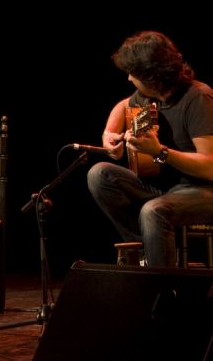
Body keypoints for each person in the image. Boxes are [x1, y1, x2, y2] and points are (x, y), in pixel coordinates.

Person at [87, 30, 213, 267]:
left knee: (153, 210)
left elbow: (210, 167)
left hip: (202, 190)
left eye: (133, 73)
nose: (129, 79)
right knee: (99, 174)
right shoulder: (148, 97)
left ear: (152, 76)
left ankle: (160, 285)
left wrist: (160, 152)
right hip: (165, 187)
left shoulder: (198, 98)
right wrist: (109, 134)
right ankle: (147, 253)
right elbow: (123, 105)